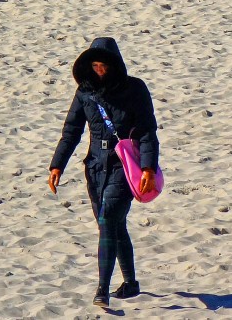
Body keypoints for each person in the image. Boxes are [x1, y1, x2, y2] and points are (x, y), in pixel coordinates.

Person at [48, 37, 159, 308]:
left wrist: (149, 167)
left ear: (114, 65)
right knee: (109, 223)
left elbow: (147, 130)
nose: (99, 70)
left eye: (104, 66)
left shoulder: (135, 88)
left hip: (124, 165)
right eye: (95, 65)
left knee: (109, 218)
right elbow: (72, 130)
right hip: (95, 166)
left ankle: (102, 289)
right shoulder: (85, 92)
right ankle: (131, 283)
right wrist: (57, 165)